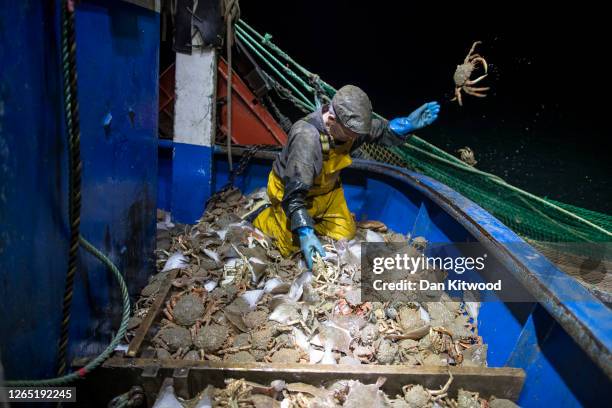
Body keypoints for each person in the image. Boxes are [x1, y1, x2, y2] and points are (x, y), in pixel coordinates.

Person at [253, 85, 440, 268]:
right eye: (351, 134)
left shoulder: (350, 127)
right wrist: (305, 232)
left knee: (346, 232)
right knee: (289, 247)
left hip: (327, 192)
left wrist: (407, 124)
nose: (355, 139)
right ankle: (264, 217)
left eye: (358, 134)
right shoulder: (307, 138)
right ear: (332, 119)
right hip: (292, 193)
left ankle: (312, 221)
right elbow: (294, 195)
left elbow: (379, 131)